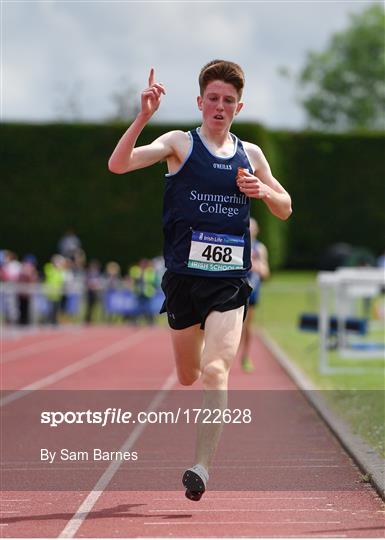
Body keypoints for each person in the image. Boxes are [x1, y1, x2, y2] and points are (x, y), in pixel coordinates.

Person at [109, 60, 292, 501]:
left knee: (215, 370)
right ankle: (193, 393)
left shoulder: (252, 155)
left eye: (229, 100)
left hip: (229, 280)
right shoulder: (179, 144)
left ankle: (201, 468)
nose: (220, 106)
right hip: (183, 281)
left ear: (238, 107)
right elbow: (119, 165)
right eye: (213, 98)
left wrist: (262, 192)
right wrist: (143, 118)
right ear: (200, 101)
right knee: (189, 374)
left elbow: (285, 206)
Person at [238, 218, 270, 372]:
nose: (250, 229)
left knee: (247, 326)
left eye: (253, 227)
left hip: (253, 290)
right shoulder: (237, 242)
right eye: (248, 226)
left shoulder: (260, 248)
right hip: (236, 288)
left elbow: (266, 272)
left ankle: (245, 356)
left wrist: (258, 268)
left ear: (257, 231)